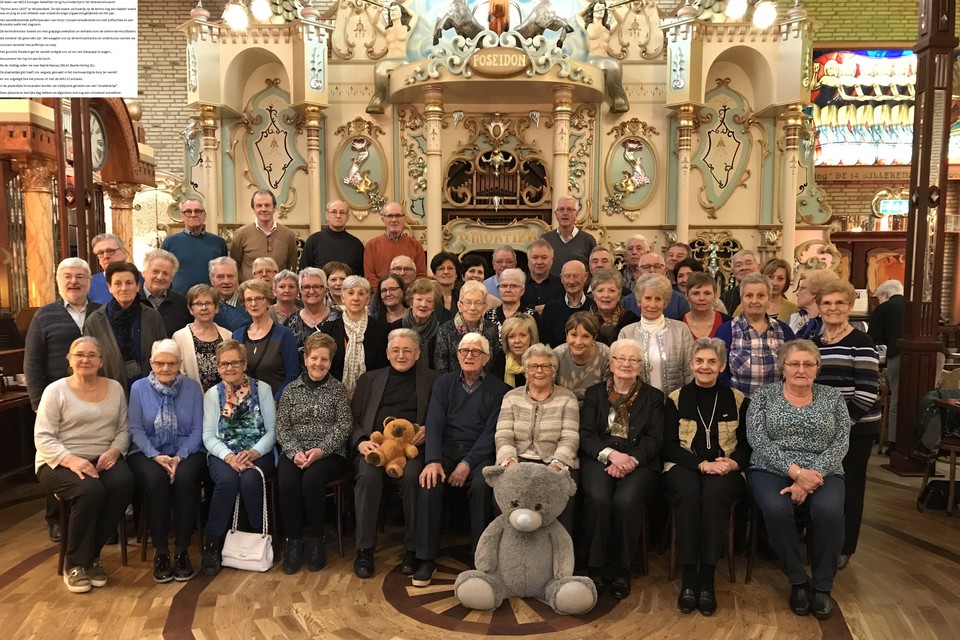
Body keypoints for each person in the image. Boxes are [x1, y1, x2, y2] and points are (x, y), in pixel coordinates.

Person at [747, 340, 851, 621]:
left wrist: (810, 476)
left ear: (817, 368)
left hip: (824, 471)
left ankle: (822, 586)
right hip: (770, 468)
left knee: (829, 511)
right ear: (783, 368)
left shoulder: (832, 397)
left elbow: (841, 442)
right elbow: (757, 439)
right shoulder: (764, 396)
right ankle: (798, 581)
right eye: (794, 363)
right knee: (777, 509)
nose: (801, 369)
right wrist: (795, 473)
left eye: (808, 364)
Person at [34, 336, 134, 593]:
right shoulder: (55, 391)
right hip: (57, 460)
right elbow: (43, 437)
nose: (85, 359)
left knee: (124, 483)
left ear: (101, 361)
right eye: (79, 354)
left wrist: (115, 450)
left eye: (91, 355)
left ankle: (92, 555)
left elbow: (123, 429)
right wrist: (72, 460)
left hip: (103, 457)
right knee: (90, 490)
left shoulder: (115, 388)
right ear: (69, 359)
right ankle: (76, 564)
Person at [413, 333, 510, 586]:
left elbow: (491, 433)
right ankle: (426, 559)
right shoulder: (443, 384)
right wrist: (432, 459)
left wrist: (467, 463)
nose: (469, 355)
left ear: (486, 358)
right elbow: (434, 423)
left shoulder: (499, 389)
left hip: (479, 452)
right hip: (444, 448)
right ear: (457, 355)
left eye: (475, 352)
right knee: (429, 480)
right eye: (464, 351)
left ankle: (481, 557)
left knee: (481, 485)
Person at [662, 337, 750, 616]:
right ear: (691, 364)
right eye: (699, 361)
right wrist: (700, 464)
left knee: (713, 496)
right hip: (684, 465)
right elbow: (668, 444)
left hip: (725, 468)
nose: (705, 366)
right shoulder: (676, 399)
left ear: (722, 365)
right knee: (688, 494)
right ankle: (689, 578)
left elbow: (748, 445)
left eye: (712, 361)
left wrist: (733, 464)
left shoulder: (736, 400)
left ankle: (707, 580)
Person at [350, 329, 440, 579]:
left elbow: (442, 415)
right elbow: (354, 418)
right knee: (367, 478)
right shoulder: (369, 380)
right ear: (388, 353)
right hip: (376, 446)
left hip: (413, 449)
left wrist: (428, 429)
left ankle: (412, 549)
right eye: (396, 350)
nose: (401, 355)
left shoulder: (433, 379)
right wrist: (360, 442)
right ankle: (364, 549)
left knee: (414, 478)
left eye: (407, 350)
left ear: (418, 353)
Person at [579, 339, 663, 600]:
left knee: (626, 501)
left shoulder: (654, 397)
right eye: (621, 358)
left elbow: (655, 438)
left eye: (633, 359)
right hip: (601, 456)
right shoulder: (594, 394)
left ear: (640, 365)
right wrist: (612, 455)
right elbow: (586, 435)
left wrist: (630, 460)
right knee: (599, 498)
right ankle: (595, 565)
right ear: (611, 363)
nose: (626, 364)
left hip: (639, 461)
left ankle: (622, 568)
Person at [25, 257, 100, 542]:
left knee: (92, 455)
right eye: (68, 276)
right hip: (57, 402)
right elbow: (32, 361)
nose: (74, 282)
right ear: (59, 281)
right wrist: (36, 402)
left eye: (80, 277)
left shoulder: (100, 311)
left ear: (89, 282)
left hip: (95, 397)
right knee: (58, 459)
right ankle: (56, 518)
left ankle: (94, 515)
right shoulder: (44, 316)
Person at [811, 280, 881, 571]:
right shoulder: (815, 342)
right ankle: (822, 542)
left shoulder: (861, 342)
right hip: (823, 428)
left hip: (857, 426)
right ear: (819, 307)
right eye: (827, 303)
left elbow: (867, 391)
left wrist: (841, 426)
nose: (833, 308)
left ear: (850, 307)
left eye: (840, 303)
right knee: (825, 485)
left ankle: (844, 546)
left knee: (850, 488)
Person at [127, 339, 206, 583]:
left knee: (185, 479)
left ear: (180, 364)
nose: (165, 368)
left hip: (187, 451)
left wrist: (180, 456)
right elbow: (136, 429)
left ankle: (182, 550)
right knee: (156, 481)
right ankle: (161, 552)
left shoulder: (192, 388)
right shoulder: (138, 388)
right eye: (159, 363)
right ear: (151, 363)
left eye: (171, 363)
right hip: (147, 451)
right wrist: (156, 456)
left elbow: (196, 429)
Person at [276, 333, 353, 574]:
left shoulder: (338, 389)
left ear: (331, 362)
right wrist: (294, 451)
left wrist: (321, 450)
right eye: (314, 358)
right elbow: (282, 426)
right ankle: (294, 541)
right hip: (296, 450)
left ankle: (317, 541)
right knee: (287, 480)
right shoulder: (291, 390)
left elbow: (344, 425)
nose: (319, 363)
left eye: (324, 359)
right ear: (305, 358)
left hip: (330, 453)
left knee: (311, 480)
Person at [200, 340, 277, 577]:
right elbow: (208, 435)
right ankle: (212, 544)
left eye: (234, 362)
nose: (229, 368)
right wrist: (229, 457)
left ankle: (257, 537)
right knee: (227, 481)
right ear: (218, 366)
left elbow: (273, 431)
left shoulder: (262, 389)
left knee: (250, 480)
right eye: (224, 364)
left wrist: (254, 452)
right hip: (224, 454)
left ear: (244, 364)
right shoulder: (213, 394)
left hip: (257, 451)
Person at [495, 343, 580, 531]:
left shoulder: (567, 398)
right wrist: (511, 465)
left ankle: (559, 553)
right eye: (533, 366)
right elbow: (503, 435)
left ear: (554, 370)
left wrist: (554, 466)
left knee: (560, 494)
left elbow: (570, 438)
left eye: (545, 366)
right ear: (526, 371)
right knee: (504, 490)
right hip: (518, 461)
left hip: (554, 463)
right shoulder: (511, 397)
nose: (539, 371)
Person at [84, 262, 167, 394]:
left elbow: (164, 353)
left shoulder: (152, 317)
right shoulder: (95, 321)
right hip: (109, 391)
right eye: (117, 283)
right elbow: (90, 358)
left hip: (149, 390)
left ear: (137, 286)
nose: (124, 288)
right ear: (109, 287)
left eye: (129, 283)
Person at [716, 273, 796, 398]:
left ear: (769, 300)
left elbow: (794, 368)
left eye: (761, 296)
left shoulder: (784, 331)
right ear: (741, 300)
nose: (754, 301)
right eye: (749, 295)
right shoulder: (726, 331)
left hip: (776, 405)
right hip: (738, 406)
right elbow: (719, 372)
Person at [618, 274, 694, 395]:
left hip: (675, 403)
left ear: (665, 303)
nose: (652, 305)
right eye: (647, 298)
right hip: (639, 406)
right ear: (639, 301)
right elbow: (622, 375)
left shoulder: (681, 330)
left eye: (658, 299)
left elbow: (690, 372)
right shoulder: (626, 333)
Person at [231, 278, 299, 401]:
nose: (253, 304)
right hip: (245, 407)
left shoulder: (283, 335)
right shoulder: (237, 335)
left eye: (258, 298)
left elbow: (292, 375)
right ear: (244, 305)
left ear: (268, 301)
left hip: (277, 404)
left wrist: (274, 401)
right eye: (249, 300)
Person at [321, 275, 390, 393]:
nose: (355, 298)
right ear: (343, 298)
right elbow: (325, 366)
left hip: (371, 394)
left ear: (368, 299)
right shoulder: (329, 329)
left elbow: (382, 369)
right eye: (350, 293)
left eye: (361, 293)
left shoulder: (381, 329)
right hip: (334, 394)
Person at [162, 197, 228, 295]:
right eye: (188, 211)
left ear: (204, 216)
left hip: (210, 300)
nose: (193, 215)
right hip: (179, 301)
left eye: (198, 211)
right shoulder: (170, 242)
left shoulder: (218, 242)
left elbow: (224, 273)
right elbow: (163, 272)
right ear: (182, 216)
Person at [172, 284, 233, 391]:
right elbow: (178, 375)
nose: (204, 308)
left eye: (208, 303)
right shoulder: (179, 338)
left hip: (226, 400)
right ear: (190, 309)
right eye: (198, 304)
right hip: (193, 400)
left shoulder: (228, 335)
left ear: (216, 307)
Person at [229, 190, 298, 281]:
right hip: (250, 292)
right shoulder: (241, 234)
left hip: (278, 292)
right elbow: (234, 266)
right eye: (259, 206)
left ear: (274, 208)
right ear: (253, 209)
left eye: (267, 205)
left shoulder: (288, 235)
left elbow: (291, 267)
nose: (263, 209)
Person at [435, 280, 501, 375]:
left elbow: (494, 364)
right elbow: (441, 369)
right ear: (460, 306)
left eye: (478, 303)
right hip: (453, 384)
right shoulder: (445, 330)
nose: (472, 308)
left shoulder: (491, 329)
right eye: (468, 302)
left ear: (484, 306)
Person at [868, 279, 904, 442]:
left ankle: (894, 442)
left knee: (898, 397)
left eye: (879, 298)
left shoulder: (885, 307)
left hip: (899, 353)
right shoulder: (913, 305)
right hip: (936, 354)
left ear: (886, 294)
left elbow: (872, 338)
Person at [363, 202, 427, 291]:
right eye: (389, 216)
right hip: (381, 296)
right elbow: (370, 277)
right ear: (383, 219)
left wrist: (406, 293)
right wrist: (386, 292)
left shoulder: (416, 245)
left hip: (408, 296)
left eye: (398, 216)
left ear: (404, 219)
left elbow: (421, 276)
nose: (394, 220)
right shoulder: (372, 245)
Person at [282, 268, 340, 363]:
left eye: (317, 287)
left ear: (326, 290)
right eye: (306, 287)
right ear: (299, 291)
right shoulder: (289, 323)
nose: (311, 291)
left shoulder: (340, 319)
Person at [554, 311, 611, 405]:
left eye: (585, 336)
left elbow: (606, 395)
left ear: (594, 338)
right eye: (573, 335)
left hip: (595, 408)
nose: (578, 342)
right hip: (562, 406)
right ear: (566, 335)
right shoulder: (556, 355)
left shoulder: (605, 355)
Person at [299, 200, 364, 276]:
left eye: (342, 212)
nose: (338, 216)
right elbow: (304, 272)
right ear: (327, 215)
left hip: (348, 287)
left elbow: (361, 276)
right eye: (334, 212)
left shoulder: (356, 244)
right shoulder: (313, 240)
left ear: (347, 217)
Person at [539, 260, 591, 348]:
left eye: (576, 276)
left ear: (585, 277)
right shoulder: (550, 309)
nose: (571, 281)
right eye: (567, 276)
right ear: (561, 279)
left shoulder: (594, 307)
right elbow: (545, 343)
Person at [622, 253, 691, 320]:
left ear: (665, 271)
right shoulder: (627, 302)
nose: (652, 270)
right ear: (638, 272)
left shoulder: (679, 301)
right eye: (646, 267)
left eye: (657, 266)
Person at [141, 249, 192, 337]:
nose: (160, 277)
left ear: (172, 278)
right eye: (155, 272)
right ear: (144, 273)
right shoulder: (132, 301)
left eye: (165, 273)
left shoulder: (182, 304)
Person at [541, 195, 597, 276]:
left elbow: (594, 269)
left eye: (569, 209)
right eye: (561, 209)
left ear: (576, 214)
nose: (565, 213)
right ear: (556, 214)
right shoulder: (545, 240)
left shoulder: (588, 240)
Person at [396, 278, 443, 369]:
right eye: (419, 299)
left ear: (434, 306)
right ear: (411, 303)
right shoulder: (395, 329)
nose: (423, 304)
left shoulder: (441, 332)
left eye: (429, 301)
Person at [588, 268, 639, 345]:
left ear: (619, 294)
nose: (606, 295)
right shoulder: (584, 320)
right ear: (594, 294)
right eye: (600, 290)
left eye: (611, 290)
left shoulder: (631, 321)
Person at [490, 314, 538, 389]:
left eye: (522, 335)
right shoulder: (501, 358)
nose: (517, 341)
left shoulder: (541, 359)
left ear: (531, 337)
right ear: (506, 340)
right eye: (511, 336)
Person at [788, 268, 839, 339]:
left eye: (802, 288)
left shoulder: (832, 322)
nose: (797, 293)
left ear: (814, 294)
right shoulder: (792, 319)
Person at [483, 268, 537, 335]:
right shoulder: (488, 315)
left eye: (514, 286)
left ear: (522, 290)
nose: (508, 290)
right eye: (504, 286)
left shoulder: (531, 316)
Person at [208, 257, 252, 332]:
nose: (226, 281)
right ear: (211, 280)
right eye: (220, 277)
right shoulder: (204, 305)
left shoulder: (249, 304)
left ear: (237, 278)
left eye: (230, 276)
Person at [521, 238, 565, 314]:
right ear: (528, 260)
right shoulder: (518, 284)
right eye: (535, 257)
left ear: (551, 261)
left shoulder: (561, 285)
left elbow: (561, 309)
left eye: (544, 258)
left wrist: (529, 308)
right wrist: (538, 308)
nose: (539, 262)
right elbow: (516, 309)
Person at [682, 272, 730, 339]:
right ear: (687, 295)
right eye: (696, 293)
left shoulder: (728, 323)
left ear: (715, 296)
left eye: (707, 293)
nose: (702, 298)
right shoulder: (678, 324)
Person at [88, 233, 130, 304]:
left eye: (110, 251)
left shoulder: (142, 280)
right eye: (100, 253)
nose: (105, 256)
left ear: (124, 253)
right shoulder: (89, 284)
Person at [720, 250, 760, 315]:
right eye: (738, 265)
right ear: (733, 271)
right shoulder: (726, 298)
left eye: (748, 263)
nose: (744, 268)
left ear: (758, 267)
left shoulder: (770, 292)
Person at [430, 251, 462, 322]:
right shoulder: (429, 296)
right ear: (434, 274)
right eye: (441, 269)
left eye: (450, 268)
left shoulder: (463, 296)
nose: (446, 272)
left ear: (456, 273)